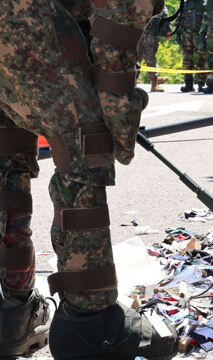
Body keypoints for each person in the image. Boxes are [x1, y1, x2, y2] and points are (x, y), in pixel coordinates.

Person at [0, 0, 178, 358]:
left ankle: (13, 315)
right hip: (31, 23)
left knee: (7, 159)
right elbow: (119, 21)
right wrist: (118, 118)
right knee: (84, 153)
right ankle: (90, 322)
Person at [178, 0, 209, 93]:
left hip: (200, 35)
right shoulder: (186, 4)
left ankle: (201, 84)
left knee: (202, 59)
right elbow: (180, 19)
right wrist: (178, 34)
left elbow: (208, 18)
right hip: (187, 35)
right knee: (187, 60)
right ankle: (188, 84)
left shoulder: (204, 3)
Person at [138, 9, 171, 92]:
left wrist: (168, 30)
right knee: (135, 57)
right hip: (138, 31)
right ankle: (132, 82)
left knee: (150, 58)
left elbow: (164, 14)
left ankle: (154, 82)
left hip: (149, 32)